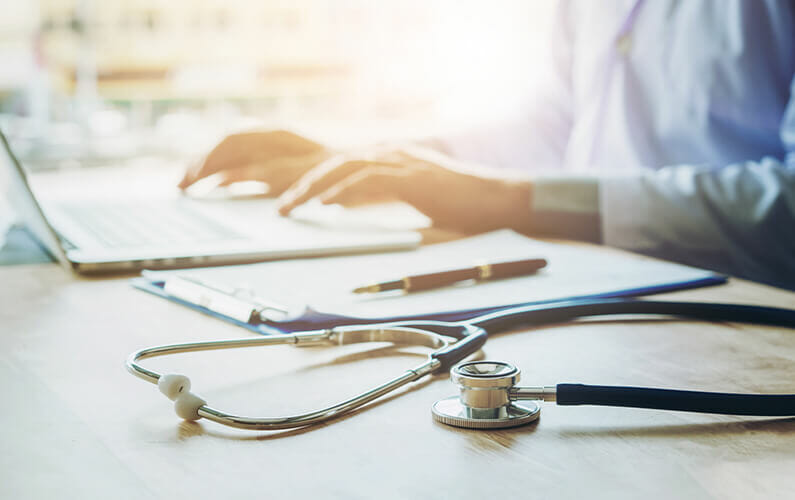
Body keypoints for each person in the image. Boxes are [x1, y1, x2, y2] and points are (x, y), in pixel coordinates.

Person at [178, 0, 795, 290]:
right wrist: (370, 163)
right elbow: (555, 125)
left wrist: (513, 200)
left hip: (753, 326)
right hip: (603, 290)